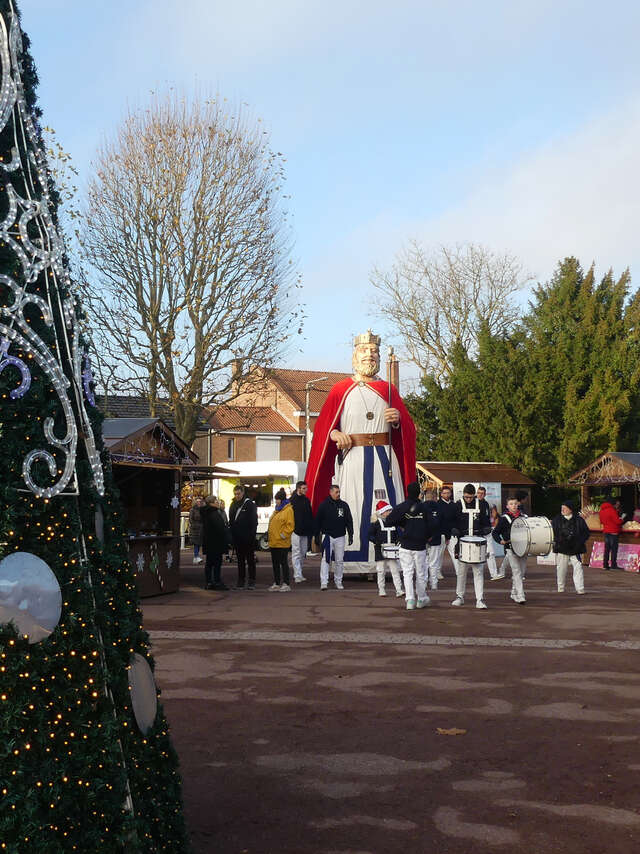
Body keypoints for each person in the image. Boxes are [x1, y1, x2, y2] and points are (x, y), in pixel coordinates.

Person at [305, 330, 416, 574]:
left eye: (374, 351)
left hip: (384, 458)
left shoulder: (388, 390)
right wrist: (335, 434)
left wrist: (397, 420)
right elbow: (324, 428)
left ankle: (389, 561)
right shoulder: (340, 390)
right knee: (354, 505)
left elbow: (408, 430)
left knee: (386, 506)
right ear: (355, 356)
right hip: (354, 458)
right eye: (365, 351)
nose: (370, 355)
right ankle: (351, 562)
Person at [387, 482, 438, 610]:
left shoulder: (402, 507)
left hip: (405, 544)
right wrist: (427, 536)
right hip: (420, 545)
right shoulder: (425, 508)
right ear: (419, 493)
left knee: (407, 573)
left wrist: (403, 523)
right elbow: (433, 525)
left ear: (407, 492)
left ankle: (410, 600)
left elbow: (389, 520)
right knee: (421, 573)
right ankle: (421, 599)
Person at [451, 484, 491, 609]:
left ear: (474, 495)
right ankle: (459, 596)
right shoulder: (457, 505)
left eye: (471, 497)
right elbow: (452, 521)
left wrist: (486, 529)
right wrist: (454, 530)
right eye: (466, 497)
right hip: (462, 542)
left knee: (478, 572)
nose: (468, 499)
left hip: (477, 542)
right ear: (463, 494)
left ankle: (479, 599)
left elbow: (486, 521)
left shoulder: (483, 505)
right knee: (461, 572)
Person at [314, 484, 354, 590]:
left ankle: (338, 581)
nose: (338, 494)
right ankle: (324, 582)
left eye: (339, 492)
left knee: (339, 560)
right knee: (325, 559)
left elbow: (349, 520)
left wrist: (351, 534)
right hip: (327, 536)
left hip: (340, 536)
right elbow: (317, 521)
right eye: (336, 492)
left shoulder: (344, 505)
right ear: (330, 492)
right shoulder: (323, 505)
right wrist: (316, 536)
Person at [492, 497, 527, 604]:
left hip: (524, 547)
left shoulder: (524, 517)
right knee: (516, 571)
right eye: (511, 504)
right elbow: (495, 532)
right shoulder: (504, 518)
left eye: (515, 504)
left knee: (522, 572)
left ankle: (513, 592)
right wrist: (500, 541)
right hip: (511, 548)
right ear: (507, 506)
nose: (514, 506)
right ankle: (520, 595)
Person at [368, 500, 404, 598]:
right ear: (382, 512)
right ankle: (382, 589)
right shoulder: (376, 523)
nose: (389, 512)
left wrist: (398, 541)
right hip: (380, 550)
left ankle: (399, 590)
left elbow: (398, 534)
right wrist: (376, 541)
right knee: (381, 571)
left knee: (395, 570)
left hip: (392, 549)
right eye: (388, 511)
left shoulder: (393, 523)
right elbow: (369, 535)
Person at [551, 500, 589, 594]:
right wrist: (559, 540)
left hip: (576, 549)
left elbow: (586, 533)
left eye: (565, 507)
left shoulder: (579, 520)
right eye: (562, 507)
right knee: (561, 569)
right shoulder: (557, 520)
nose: (562, 509)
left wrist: (579, 542)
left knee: (578, 568)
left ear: (571, 509)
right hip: (561, 548)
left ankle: (580, 589)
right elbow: (552, 533)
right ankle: (560, 587)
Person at [229, 484, 258, 590]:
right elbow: (231, 521)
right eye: (235, 494)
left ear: (243, 493)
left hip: (248, 538)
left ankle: (252, 581)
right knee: (240, 560)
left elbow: (254, 522)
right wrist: (232, 536)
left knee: (250, 560)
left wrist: (251, 536)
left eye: (238, 494)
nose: (237, 496)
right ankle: (241, 580)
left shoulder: (249, 504)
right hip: (237, 538)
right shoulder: (233, 504)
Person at [428, 485, 457, 584]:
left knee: (454, 553)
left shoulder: (454, 505)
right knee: (438, 555)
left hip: (452, 533)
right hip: (441, 534)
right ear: (441, 494)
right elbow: (438, 521)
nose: (446, 495)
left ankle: (459, 571)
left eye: (448, 493)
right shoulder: (438, 505)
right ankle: (437, 572)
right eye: (444, 493)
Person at [268, 488, 295, 591]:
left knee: (283, 563)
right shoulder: (277, 510)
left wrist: (282, 535)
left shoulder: (288, 510)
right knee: (275, 564)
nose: (276, 502)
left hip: (282, 542)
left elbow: (290, 525)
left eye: (277, 499)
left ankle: (286, 583)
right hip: (274, 542)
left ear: (282, 499)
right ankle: (277, 582)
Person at [200, 495, 230, 590]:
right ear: (212, 503)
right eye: (216, 501)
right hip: (216, 542)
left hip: (209, 542)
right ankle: (217, 582)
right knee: (217, 563)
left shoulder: (206, 512)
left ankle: (209, 582)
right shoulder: (214, 513)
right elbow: (220, 528)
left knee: (209, 563)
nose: (218, 502)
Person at [477, 486, 504, 581]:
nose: (480, 495)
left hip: (487, 532)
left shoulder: (487, 504)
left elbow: (492, 517)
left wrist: (490, 527)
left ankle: (494, 574)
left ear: (485, 494)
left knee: (491, 553)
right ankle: (477, 575)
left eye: (482, 493)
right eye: (479, 493)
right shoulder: (474, 503)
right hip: (477, 534)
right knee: (477, 555)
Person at [290, 480, 314, 583]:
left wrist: (311, 528)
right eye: (304, 488)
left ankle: (299, 573)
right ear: (298, 489)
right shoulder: (292, 500)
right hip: (295, 531)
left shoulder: (306, 500)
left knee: (303, 552)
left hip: (304, 531)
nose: (306, 490)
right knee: (296, 552)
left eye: (306, 488)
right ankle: (297, 574)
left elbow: (309, 515)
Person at [599, 496, 624, 570]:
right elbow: (618, 521)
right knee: (613, 549)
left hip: (606, 531)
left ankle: (605, 565)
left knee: (607, 549)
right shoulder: (612, 510)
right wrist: (622, 519)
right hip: (613, 532)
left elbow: (601, 521)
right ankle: (613, 565)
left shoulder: (602, 510)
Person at [189, 496, 205, 564]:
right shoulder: (192, 510)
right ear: (195, 502)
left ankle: (197, 557)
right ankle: (195, 557)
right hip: (195, 529)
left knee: (198, 543)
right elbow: (191, 519)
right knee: (196, 543)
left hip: (201, 528)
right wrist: (195, 526)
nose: (199, 502)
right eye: (197, 501)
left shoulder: (202, 509)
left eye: (200, 501)